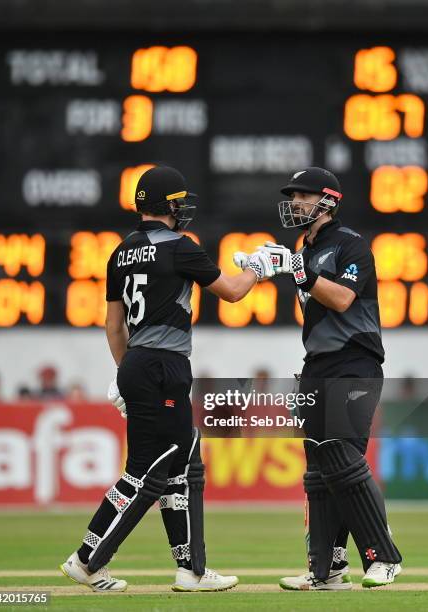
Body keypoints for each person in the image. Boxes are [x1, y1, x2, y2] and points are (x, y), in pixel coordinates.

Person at [60, 165, 274, 593]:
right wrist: (260, 267)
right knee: (147, 469)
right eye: (179, 202)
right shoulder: (180, 246)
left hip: (139, 360)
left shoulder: (120, 252)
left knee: (183, 456)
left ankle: (189, 567)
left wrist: (125, 373)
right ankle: (87, 558)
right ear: (169, 205)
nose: (183, 209)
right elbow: (232, 291)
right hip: (165, 365)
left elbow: (113, 324)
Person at [234, 167, 402, 590]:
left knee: (342, 460)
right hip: (318, 366)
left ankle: (383, 556)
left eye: (304, 196)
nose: (295, 203)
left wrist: (296, 266)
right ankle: (326, 570)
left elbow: (343, 299)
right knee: (319, 467)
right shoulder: (303, 247)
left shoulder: (352, 245)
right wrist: (262, 268)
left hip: (356, 363)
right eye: (293, 196)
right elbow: (309, 294)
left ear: (328, 201)